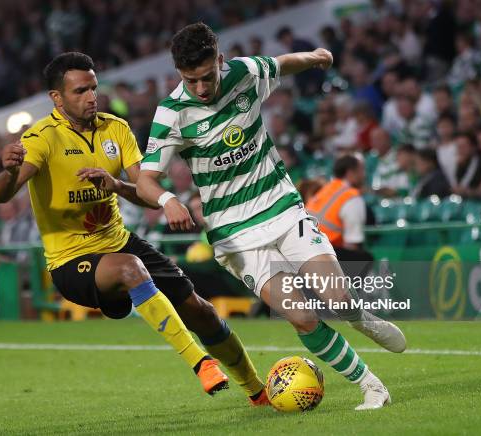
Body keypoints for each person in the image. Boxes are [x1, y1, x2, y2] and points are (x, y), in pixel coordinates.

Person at [138, 23, 406, 411]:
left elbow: (282, 63)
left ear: (220, 61)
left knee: (336, 297)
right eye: (190, 80)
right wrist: (167, 199)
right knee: (302, 316)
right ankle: (371, 385)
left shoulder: (245, 74)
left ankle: (359, 316)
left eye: (207, 77)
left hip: (281, 208)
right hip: (234, 234)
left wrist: (315, 58)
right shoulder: (172, 113)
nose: (200, 88)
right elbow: (146, 179)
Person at [0, 52, 268, 404]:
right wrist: (10, 171)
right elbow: (0, 195)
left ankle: (258, 392)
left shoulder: (115, 128)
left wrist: (119, 186)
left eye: (93, 88)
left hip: (120, 242)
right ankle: (201, 363)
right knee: (129, 268)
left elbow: (148, 193)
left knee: (202, 311)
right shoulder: (41, 138)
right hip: (72, 261)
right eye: (79, 91)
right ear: (56, 98)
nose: (91, 97)